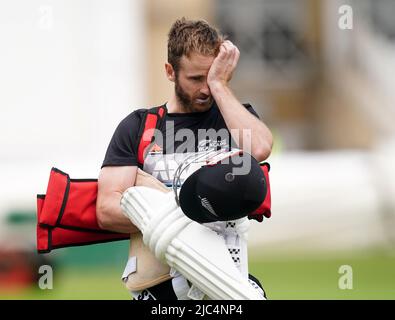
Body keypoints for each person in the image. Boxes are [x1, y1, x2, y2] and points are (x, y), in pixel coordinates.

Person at [96, 17, 273, 300]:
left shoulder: (233, 118)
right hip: (159, 286)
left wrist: (220, 86)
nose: (205, 89)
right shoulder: (138, 126)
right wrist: (193, 208)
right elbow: (107, 208)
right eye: (195, 79)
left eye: (211, 76)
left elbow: (261, 148)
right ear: (170, 71)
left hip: (226, 281)